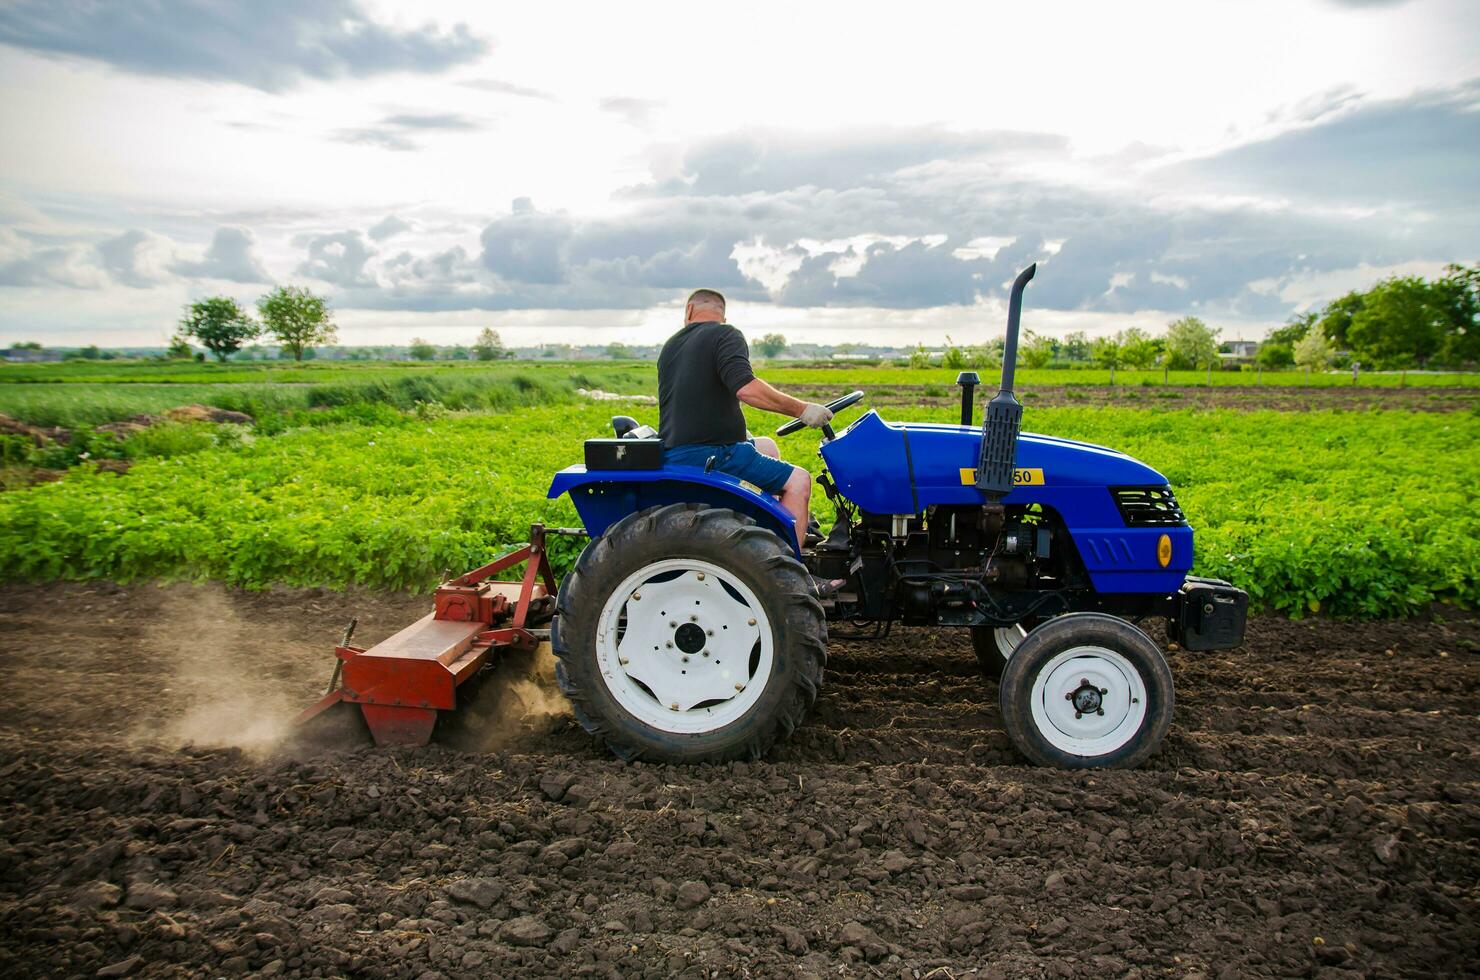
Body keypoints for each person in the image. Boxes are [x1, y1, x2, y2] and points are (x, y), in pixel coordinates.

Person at [657, 288, 834, 552]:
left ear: (689, 311)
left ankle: (767, 535)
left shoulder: (671, 346)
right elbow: (746, 389)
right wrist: (803, 409)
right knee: (799, 480)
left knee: (766, 446)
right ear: (723, 317)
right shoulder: (725, 333)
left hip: (680, 449)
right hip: (711, 453)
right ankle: (789, 568)